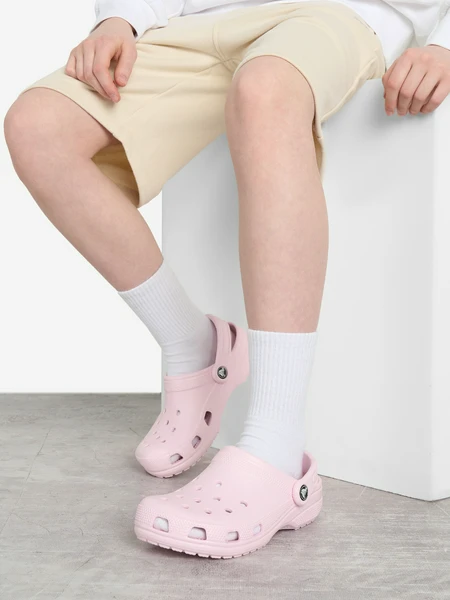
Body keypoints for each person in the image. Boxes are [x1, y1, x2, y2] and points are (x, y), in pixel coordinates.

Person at [3, 0, 450, 559]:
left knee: (266, 90)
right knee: (37, 126)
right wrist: (121, 17)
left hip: (337, 14)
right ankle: (194, 346)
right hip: (198, 17)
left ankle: (276, 451)